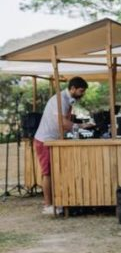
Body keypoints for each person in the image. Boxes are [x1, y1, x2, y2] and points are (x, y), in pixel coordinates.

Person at [34, 77, 90, 215]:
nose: (82, 94)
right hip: (45, 140)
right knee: (47, 173)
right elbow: (63, 123)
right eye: (81, 91)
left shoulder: (68, 99)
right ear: (72, 88)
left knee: (56, 172)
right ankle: (47, 206)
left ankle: (57, 202)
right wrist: (82, 126)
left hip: (54, 139)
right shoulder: (61, 100)